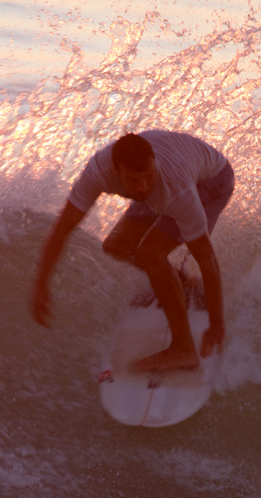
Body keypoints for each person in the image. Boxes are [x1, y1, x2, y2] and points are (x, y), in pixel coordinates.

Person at [30, 130, 235, 371]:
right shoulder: (98, 171)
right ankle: (184, 286)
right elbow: (63, 226)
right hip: (173, 173)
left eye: (148, 176)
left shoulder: (176, 190)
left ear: (154, 164)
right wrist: (41, 283)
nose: (142, 187)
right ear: (116, 172)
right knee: (117, 246)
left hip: (212, 182)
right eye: (133, 180)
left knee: (149, 251)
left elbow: (207, 258)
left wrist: (217, 324)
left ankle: (183, 349)